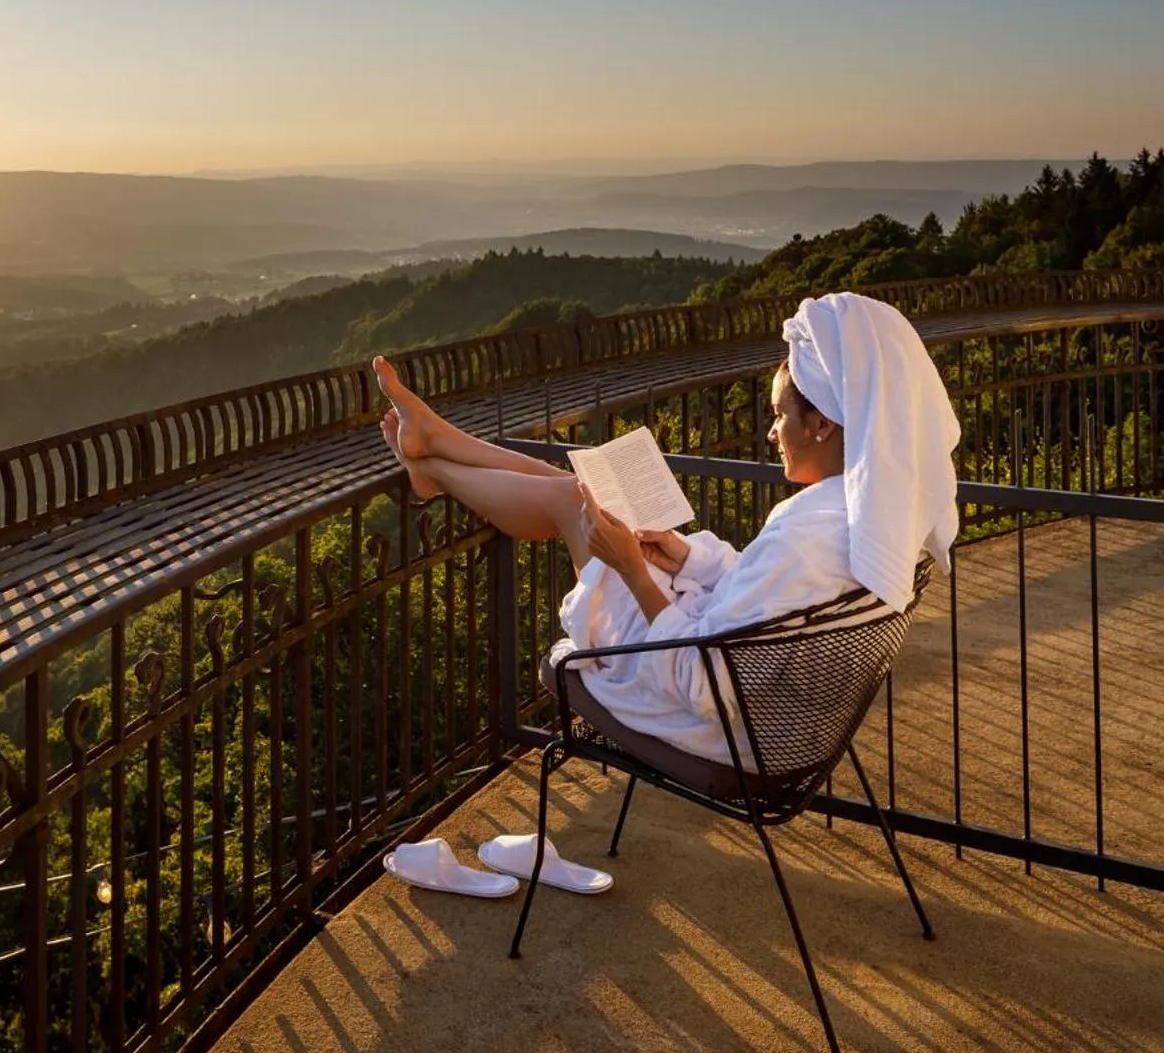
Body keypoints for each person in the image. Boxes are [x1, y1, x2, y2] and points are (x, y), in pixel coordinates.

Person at [374, 291, 960, 879]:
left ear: (823, 424)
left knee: (574, 504)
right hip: (776, 718)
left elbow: (702, 680)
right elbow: (773, 605)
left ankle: (434, 464)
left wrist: (633, 570)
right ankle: (438, 451)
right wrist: (683, 558)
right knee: (588, 498)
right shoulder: (875, 520)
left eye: (780, 415)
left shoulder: (809, 534)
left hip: (717, 727)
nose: (771, 433)